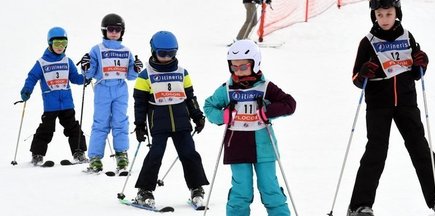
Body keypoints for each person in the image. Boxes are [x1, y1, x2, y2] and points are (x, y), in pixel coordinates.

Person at [348, 0, 435, 216]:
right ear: (374, 15)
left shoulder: (407, 36)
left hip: (406, 103)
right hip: (378, 105)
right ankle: (359, 206)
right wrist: (364, 72)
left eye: (388, 13)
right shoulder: (368, 42)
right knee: (376, 152)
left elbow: (416, 72)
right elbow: (356, 79)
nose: (384, 19)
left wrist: (421, 63)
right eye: (379, 14)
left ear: (397, 13)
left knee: (420, 148)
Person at [204, 39, 296, 216]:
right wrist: (224, 116)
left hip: (264, 148)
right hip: (236, 146)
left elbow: (290, 104)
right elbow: (209, 107)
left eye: (243, 67)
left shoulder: (265, 87)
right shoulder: (227, 89)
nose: (238, 71)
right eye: (234, 67)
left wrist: (267, 111)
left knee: (270, 189)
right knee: (241, 191)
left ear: (255, 63)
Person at [132, 31, 209, 207]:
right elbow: (140, 103)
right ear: (153, 51)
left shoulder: (183, 73)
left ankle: (196, 188)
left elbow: (190, 97)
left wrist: (197, 115)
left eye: (171, 54)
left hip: (182, 122)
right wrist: (139, 125)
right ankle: (144, 190)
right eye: (162, 54)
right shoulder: (145, 75)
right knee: (155, 155)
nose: (166, 58)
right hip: (158, 124)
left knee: (189, 154)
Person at [78, 13, 142, 173]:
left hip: (120, 89)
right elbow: (89, 73)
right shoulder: (97, 49)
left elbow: (131, 76)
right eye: (111, 29)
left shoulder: (126, 51)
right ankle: (95, 158)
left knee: (121, 122)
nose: (114, 33)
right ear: (104, 31)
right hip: (103, 88)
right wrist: (86, 66)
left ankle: (121, 155)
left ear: (122, 32)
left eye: (117, 30)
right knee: (100, 123)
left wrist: (136, 68)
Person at [20, 27, 88, 166]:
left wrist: (86, 77)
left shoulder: (67, 61)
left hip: (67, 103)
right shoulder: (42, 63)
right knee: (46, 129)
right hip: (51, 104)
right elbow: (32, 77)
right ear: (50, 44)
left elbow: (75, 78)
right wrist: (27, 90)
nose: (60, 47)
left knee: (73, 128)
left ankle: (79, 152)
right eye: (57, 43)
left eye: (63, 43)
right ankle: (37, 155)